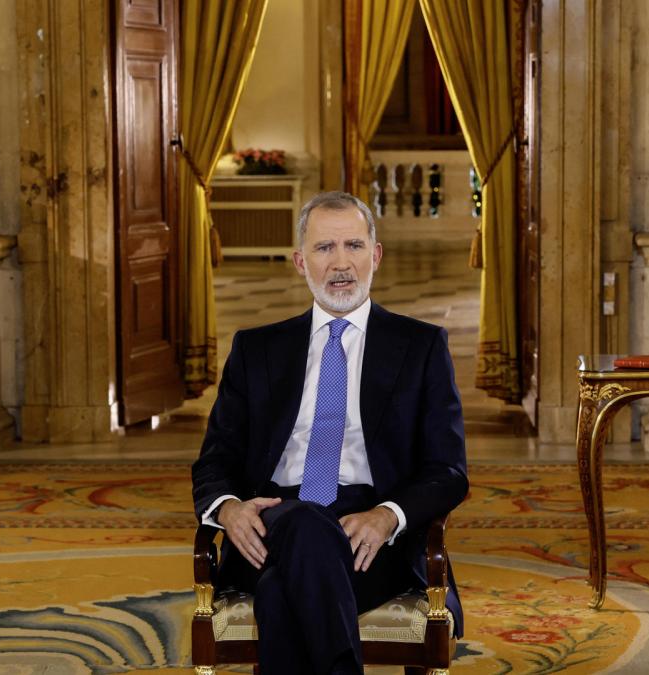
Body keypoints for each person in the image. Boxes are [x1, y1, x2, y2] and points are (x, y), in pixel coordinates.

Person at [191, 191, 468, 675]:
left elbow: (448, 471)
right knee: (299, 521)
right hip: (271, 522)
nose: (341, 263)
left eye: (354, 246)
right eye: (324, 248)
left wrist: (387, 515)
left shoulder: (421, 347)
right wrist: (230, 509)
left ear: (375, 256)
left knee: (280, 594)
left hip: (370, 539)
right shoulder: (256, 350)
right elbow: (215, 460)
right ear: (300, 261)